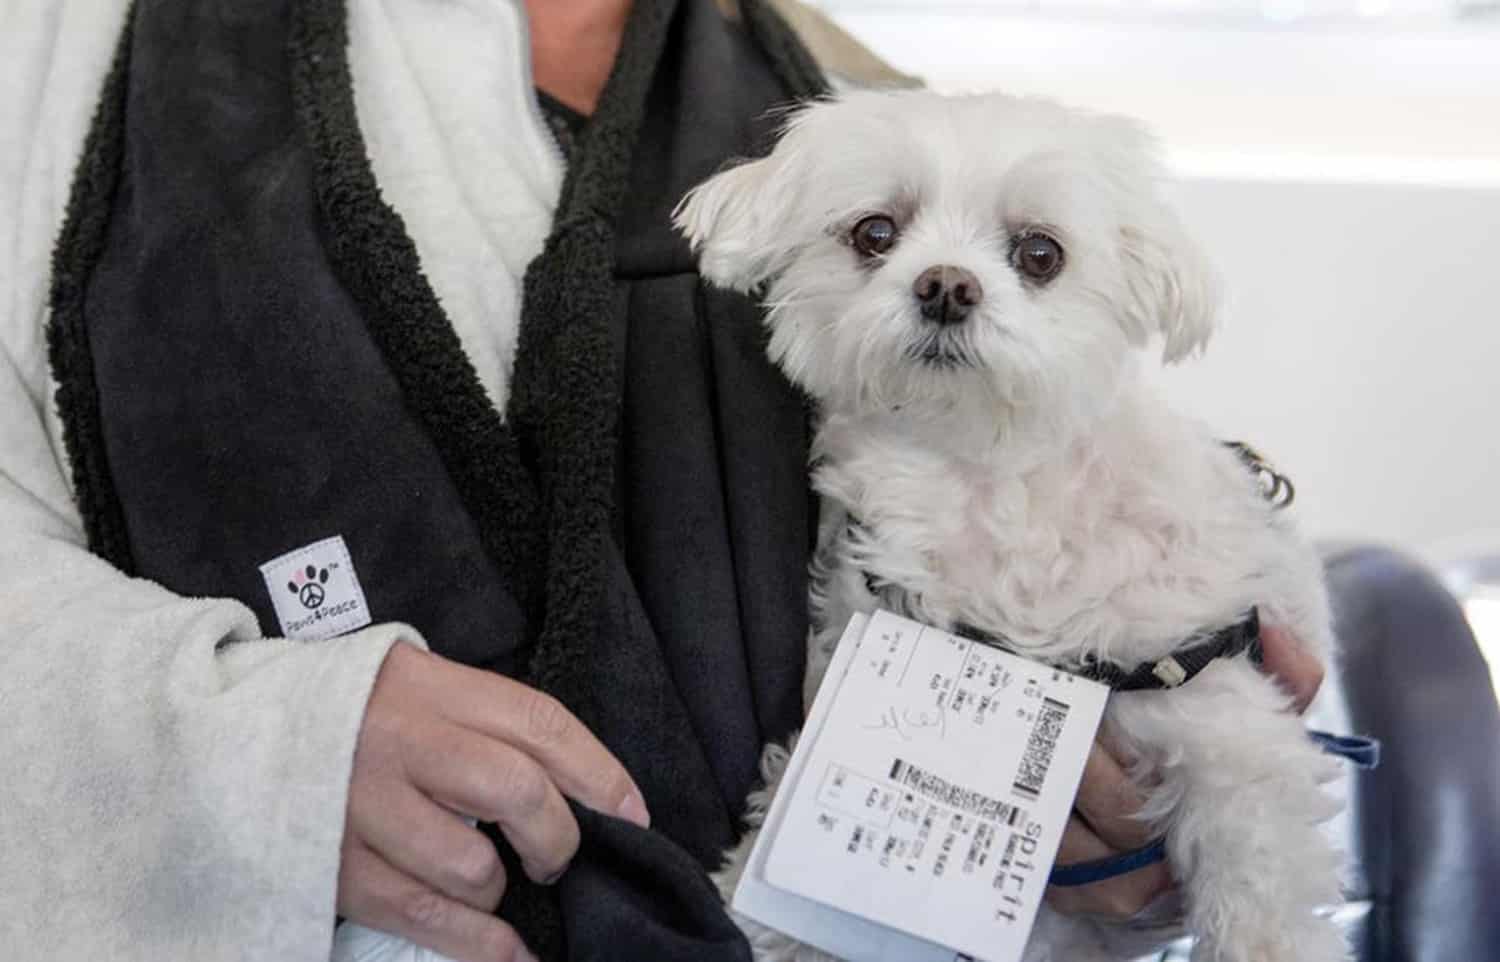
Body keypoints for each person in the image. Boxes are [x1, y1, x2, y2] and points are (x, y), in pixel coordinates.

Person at [0, 1, 1324, 960]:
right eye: (879, 240)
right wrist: (250, 756)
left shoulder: (849, 83)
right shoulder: (59, 65)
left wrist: (1111, 834)